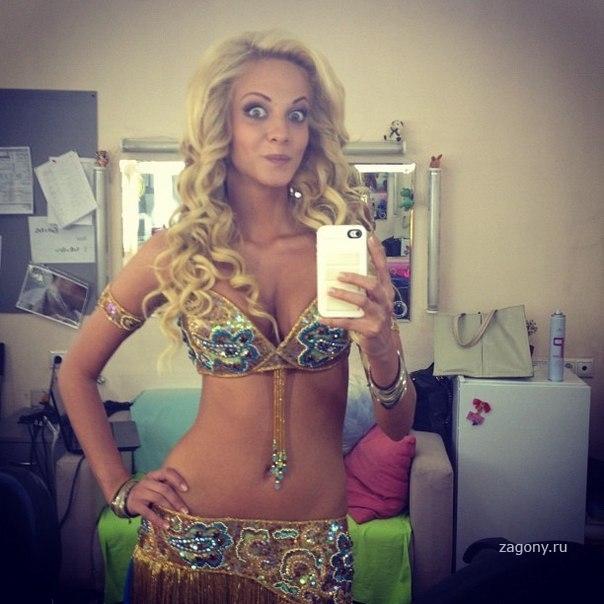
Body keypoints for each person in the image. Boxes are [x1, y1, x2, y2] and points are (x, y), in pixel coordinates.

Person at [59, 29, 416, 603]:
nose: (281, 132)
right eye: (256, 110)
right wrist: (118, 487)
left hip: (313, 549)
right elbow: (76, 371)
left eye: (297, 114)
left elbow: (397, 428)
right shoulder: (177, 253)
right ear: (220, 124)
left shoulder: (342, 249)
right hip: (189, 537)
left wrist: (379, 346)